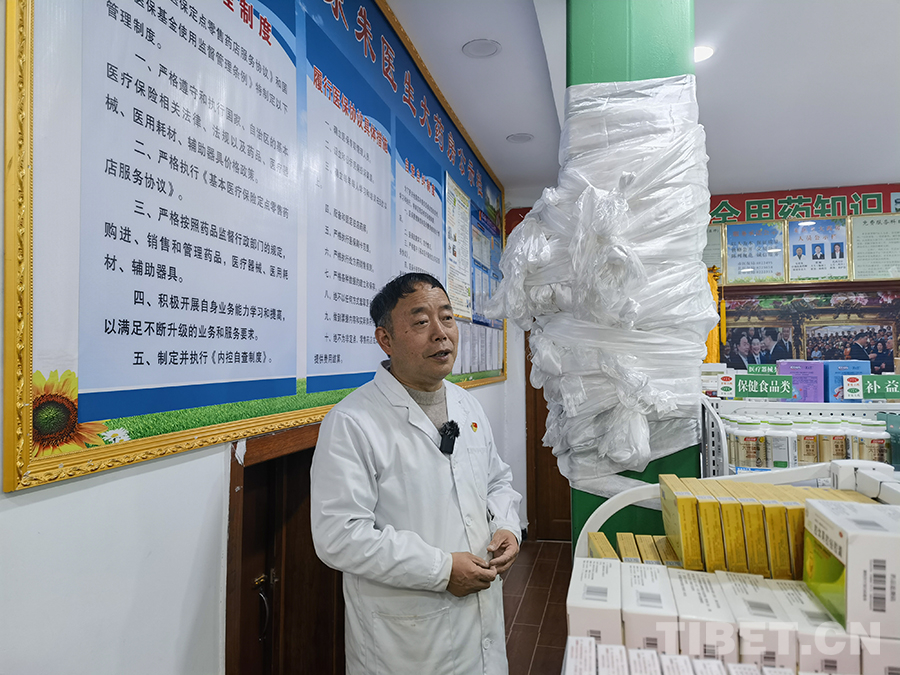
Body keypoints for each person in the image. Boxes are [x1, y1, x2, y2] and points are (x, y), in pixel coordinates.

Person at [310, 273, 522, 675]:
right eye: (421, 322)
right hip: (406, 640)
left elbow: (497, 481)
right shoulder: (352, 422)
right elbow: (338, 535)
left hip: (480, 619)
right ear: (385, 339)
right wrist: (441, 570)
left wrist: (508, 527)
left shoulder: (467, 406)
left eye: (447, 318)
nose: (441, 333)